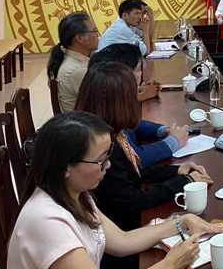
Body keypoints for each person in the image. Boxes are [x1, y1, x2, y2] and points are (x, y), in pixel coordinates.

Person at [7, 111, 223, 269]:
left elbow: (122, 241)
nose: (109, 165)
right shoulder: (47, 223)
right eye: (101, 161)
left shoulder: (75, 192)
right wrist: (171, 263)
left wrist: (182, 222)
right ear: (66, 167)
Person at [75, 63, 212, 269]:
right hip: (121, 234)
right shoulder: (100, 146)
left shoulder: (108, 133)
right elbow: (132, 202)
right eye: (133, 94)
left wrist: (177, 171)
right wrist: (183, 182)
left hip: (118, 236)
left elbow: (132, 172)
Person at [88, 44, 188, 166]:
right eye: (139, 69)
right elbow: (135, 158)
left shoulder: (108, 103)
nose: (141, 74)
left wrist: (162, 130)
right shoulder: (101, 124)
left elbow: (131, 125)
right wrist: (174, 142)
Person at [48, 12, 100, 113]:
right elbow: (104, 102)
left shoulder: (76, 61)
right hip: (85, 122)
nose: (97, 35)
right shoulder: (76, 71)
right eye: (94, 31)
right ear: (79, 38)